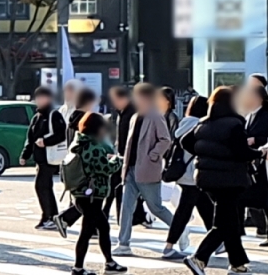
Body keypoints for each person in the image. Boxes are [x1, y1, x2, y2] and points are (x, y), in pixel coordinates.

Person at [183, 87, 267, 275]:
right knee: (224, 224)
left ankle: (238, 264)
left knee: (230, 222)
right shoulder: (235, 124)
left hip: (207, 179)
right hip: (230, 179)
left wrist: (206, 154)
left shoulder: (203, 124)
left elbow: (185, 142)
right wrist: (260, 152)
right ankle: (199, 258)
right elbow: (242, 153)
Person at [114, 83, 175, 256]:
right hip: (131, 168)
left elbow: (165, 139)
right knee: (126, 206)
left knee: (155, 207)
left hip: (147, 168)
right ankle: (123, 243)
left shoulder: (155, 116)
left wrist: (153, 155)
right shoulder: (135, 117)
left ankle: (180, 228)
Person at [67, 112, 127, 275]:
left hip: (82, 193)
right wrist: (117, 160)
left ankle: (109, 263)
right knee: (87, 231)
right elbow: (105, 168)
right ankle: (78, 268)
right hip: (92, 195)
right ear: (97, 128)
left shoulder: (79, 143)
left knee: (103, 227)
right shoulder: (93, 146)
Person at [160, 96, 214, 260]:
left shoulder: (184, 123)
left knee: (206, 207)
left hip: (183, 173)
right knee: (185, 211)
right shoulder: (200, 126)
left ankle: (218, 242)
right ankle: (169, 246)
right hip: (194, 173)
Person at [51, 87, 100, 236]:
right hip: (86, 164)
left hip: (74, 163)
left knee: (84, 198)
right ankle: (67, 219)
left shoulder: (71, 118)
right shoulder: (86, 119)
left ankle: (89, 226)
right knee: (90, 198)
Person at [240, 84, 268, 247]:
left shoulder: (267, 115)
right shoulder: (251, 114)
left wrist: (256, 140)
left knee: (265, 199)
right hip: (253, 162)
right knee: (261, 200)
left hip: (264, 164)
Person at [21, 87, 67, 230]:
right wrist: (25, 155)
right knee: (44, 187)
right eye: (38, 98)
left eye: (42, 97)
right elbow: (30, 137)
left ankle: (50, 216)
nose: (39, 100)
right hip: (41, 158)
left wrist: (46, 142)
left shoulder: (54, 115)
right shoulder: (37, 117)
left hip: (51, 158)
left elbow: (62, 134)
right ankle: (49, 216)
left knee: (42, 186)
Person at [106, 85, 136, 219]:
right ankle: (115, 215)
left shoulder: (133, 113)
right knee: (115, 186)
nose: (114, 103)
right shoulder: (121, 113)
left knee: (122, 188)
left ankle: (129, 216)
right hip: (121, 156)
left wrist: (124, 155)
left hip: (129, 158)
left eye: (115, 100)